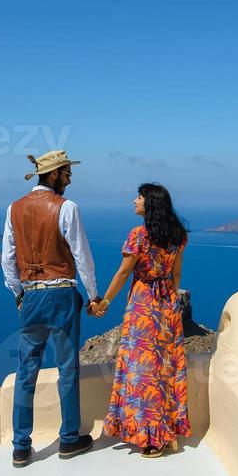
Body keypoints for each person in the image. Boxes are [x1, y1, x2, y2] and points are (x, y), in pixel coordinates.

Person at [1, 149, 101, 468]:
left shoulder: (13, 209)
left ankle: (20, 445)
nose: (70, 179)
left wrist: (19, 293)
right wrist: (94, 295)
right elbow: (82, 256)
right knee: (67, 368)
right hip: (61, 295)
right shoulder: (66, 208)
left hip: (30, 296)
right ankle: (69, 439)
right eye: (67, 173)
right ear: (54, 173)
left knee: (26, 369)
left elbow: (7, 259)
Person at [91, 182, 190, 458]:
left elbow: (124, 273)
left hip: (144, 306)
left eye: (138, 197)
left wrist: (105, 302)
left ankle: (148, 438)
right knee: (164, 369)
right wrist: (171, 298)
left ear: (150, 204)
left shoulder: (139, 235)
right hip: (167, 304)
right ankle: (164, 430)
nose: (133, 201)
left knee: (142, 372)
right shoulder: (178, 235)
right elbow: (177, 275)